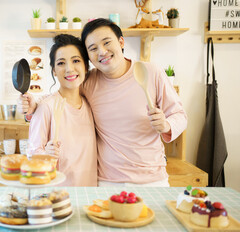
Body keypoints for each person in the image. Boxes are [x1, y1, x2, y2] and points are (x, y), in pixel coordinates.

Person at [19, 18, 187, 187]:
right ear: (89, 59)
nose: (102, 52)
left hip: (153, 178)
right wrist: (34, 106)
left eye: (107, 43)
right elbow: (62, 92)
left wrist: (166, 125)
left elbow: (179, 115)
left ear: (121, 41)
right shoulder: (90, 81)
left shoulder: (150, 72)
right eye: (93, 48)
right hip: (107, 180)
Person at [26, 34, 97, 187]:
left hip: (90, 191)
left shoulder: (90, 105)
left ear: (86, 65)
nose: (69, 69)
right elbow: (32, 155)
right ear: (54, 71)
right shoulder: (46, 107)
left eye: (76, 61)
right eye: (61, 63)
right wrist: (46, 153)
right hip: (58, 195)